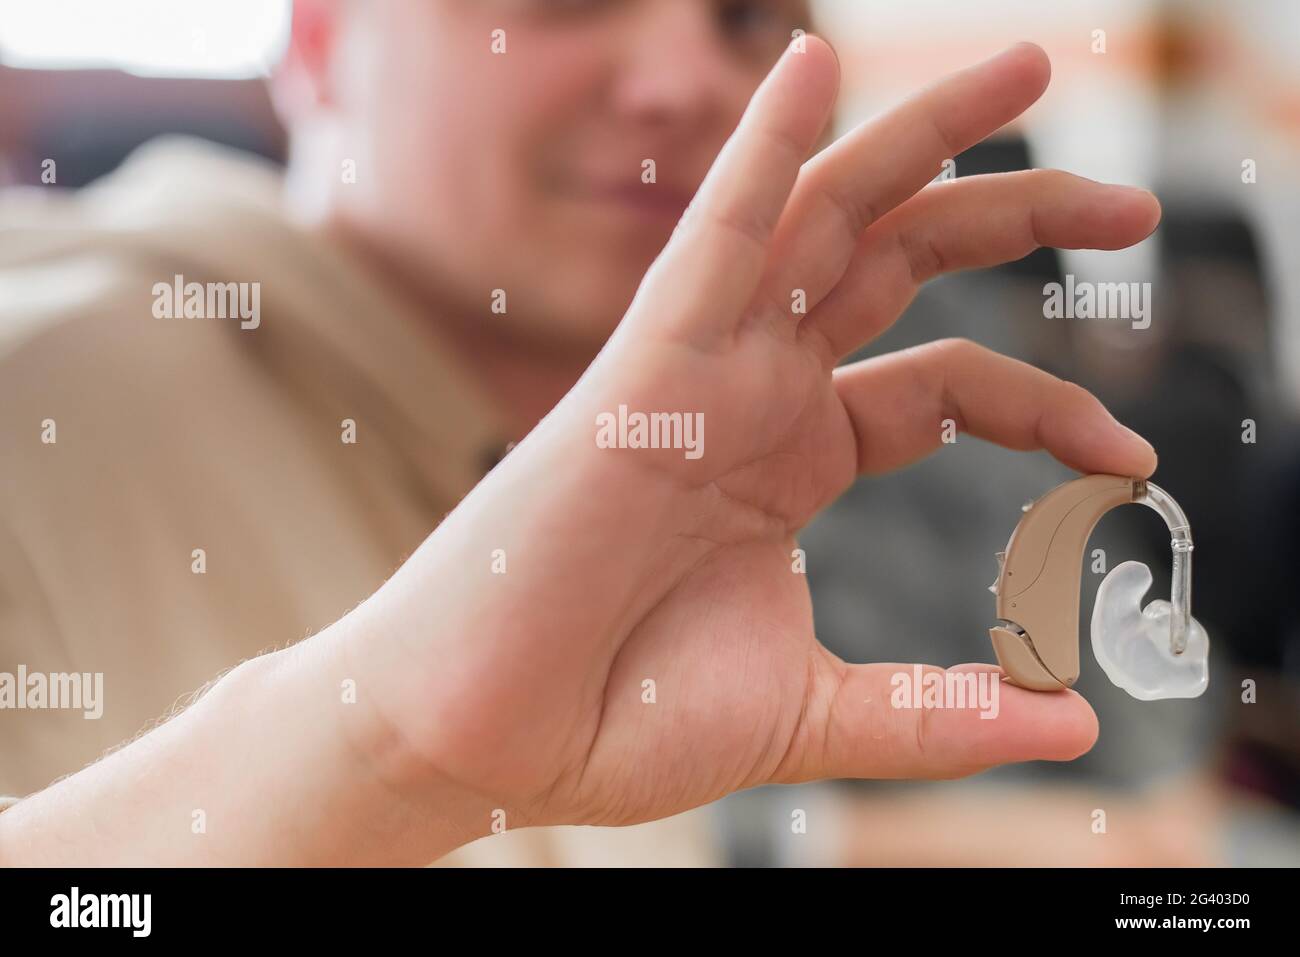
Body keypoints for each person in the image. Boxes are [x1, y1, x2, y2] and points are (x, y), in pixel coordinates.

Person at [0, 0, 1161, 865]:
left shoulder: (702, 496)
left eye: (748, 18)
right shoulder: (39, 406)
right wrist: (381, 753)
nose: (685, 82)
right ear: (318, 37)